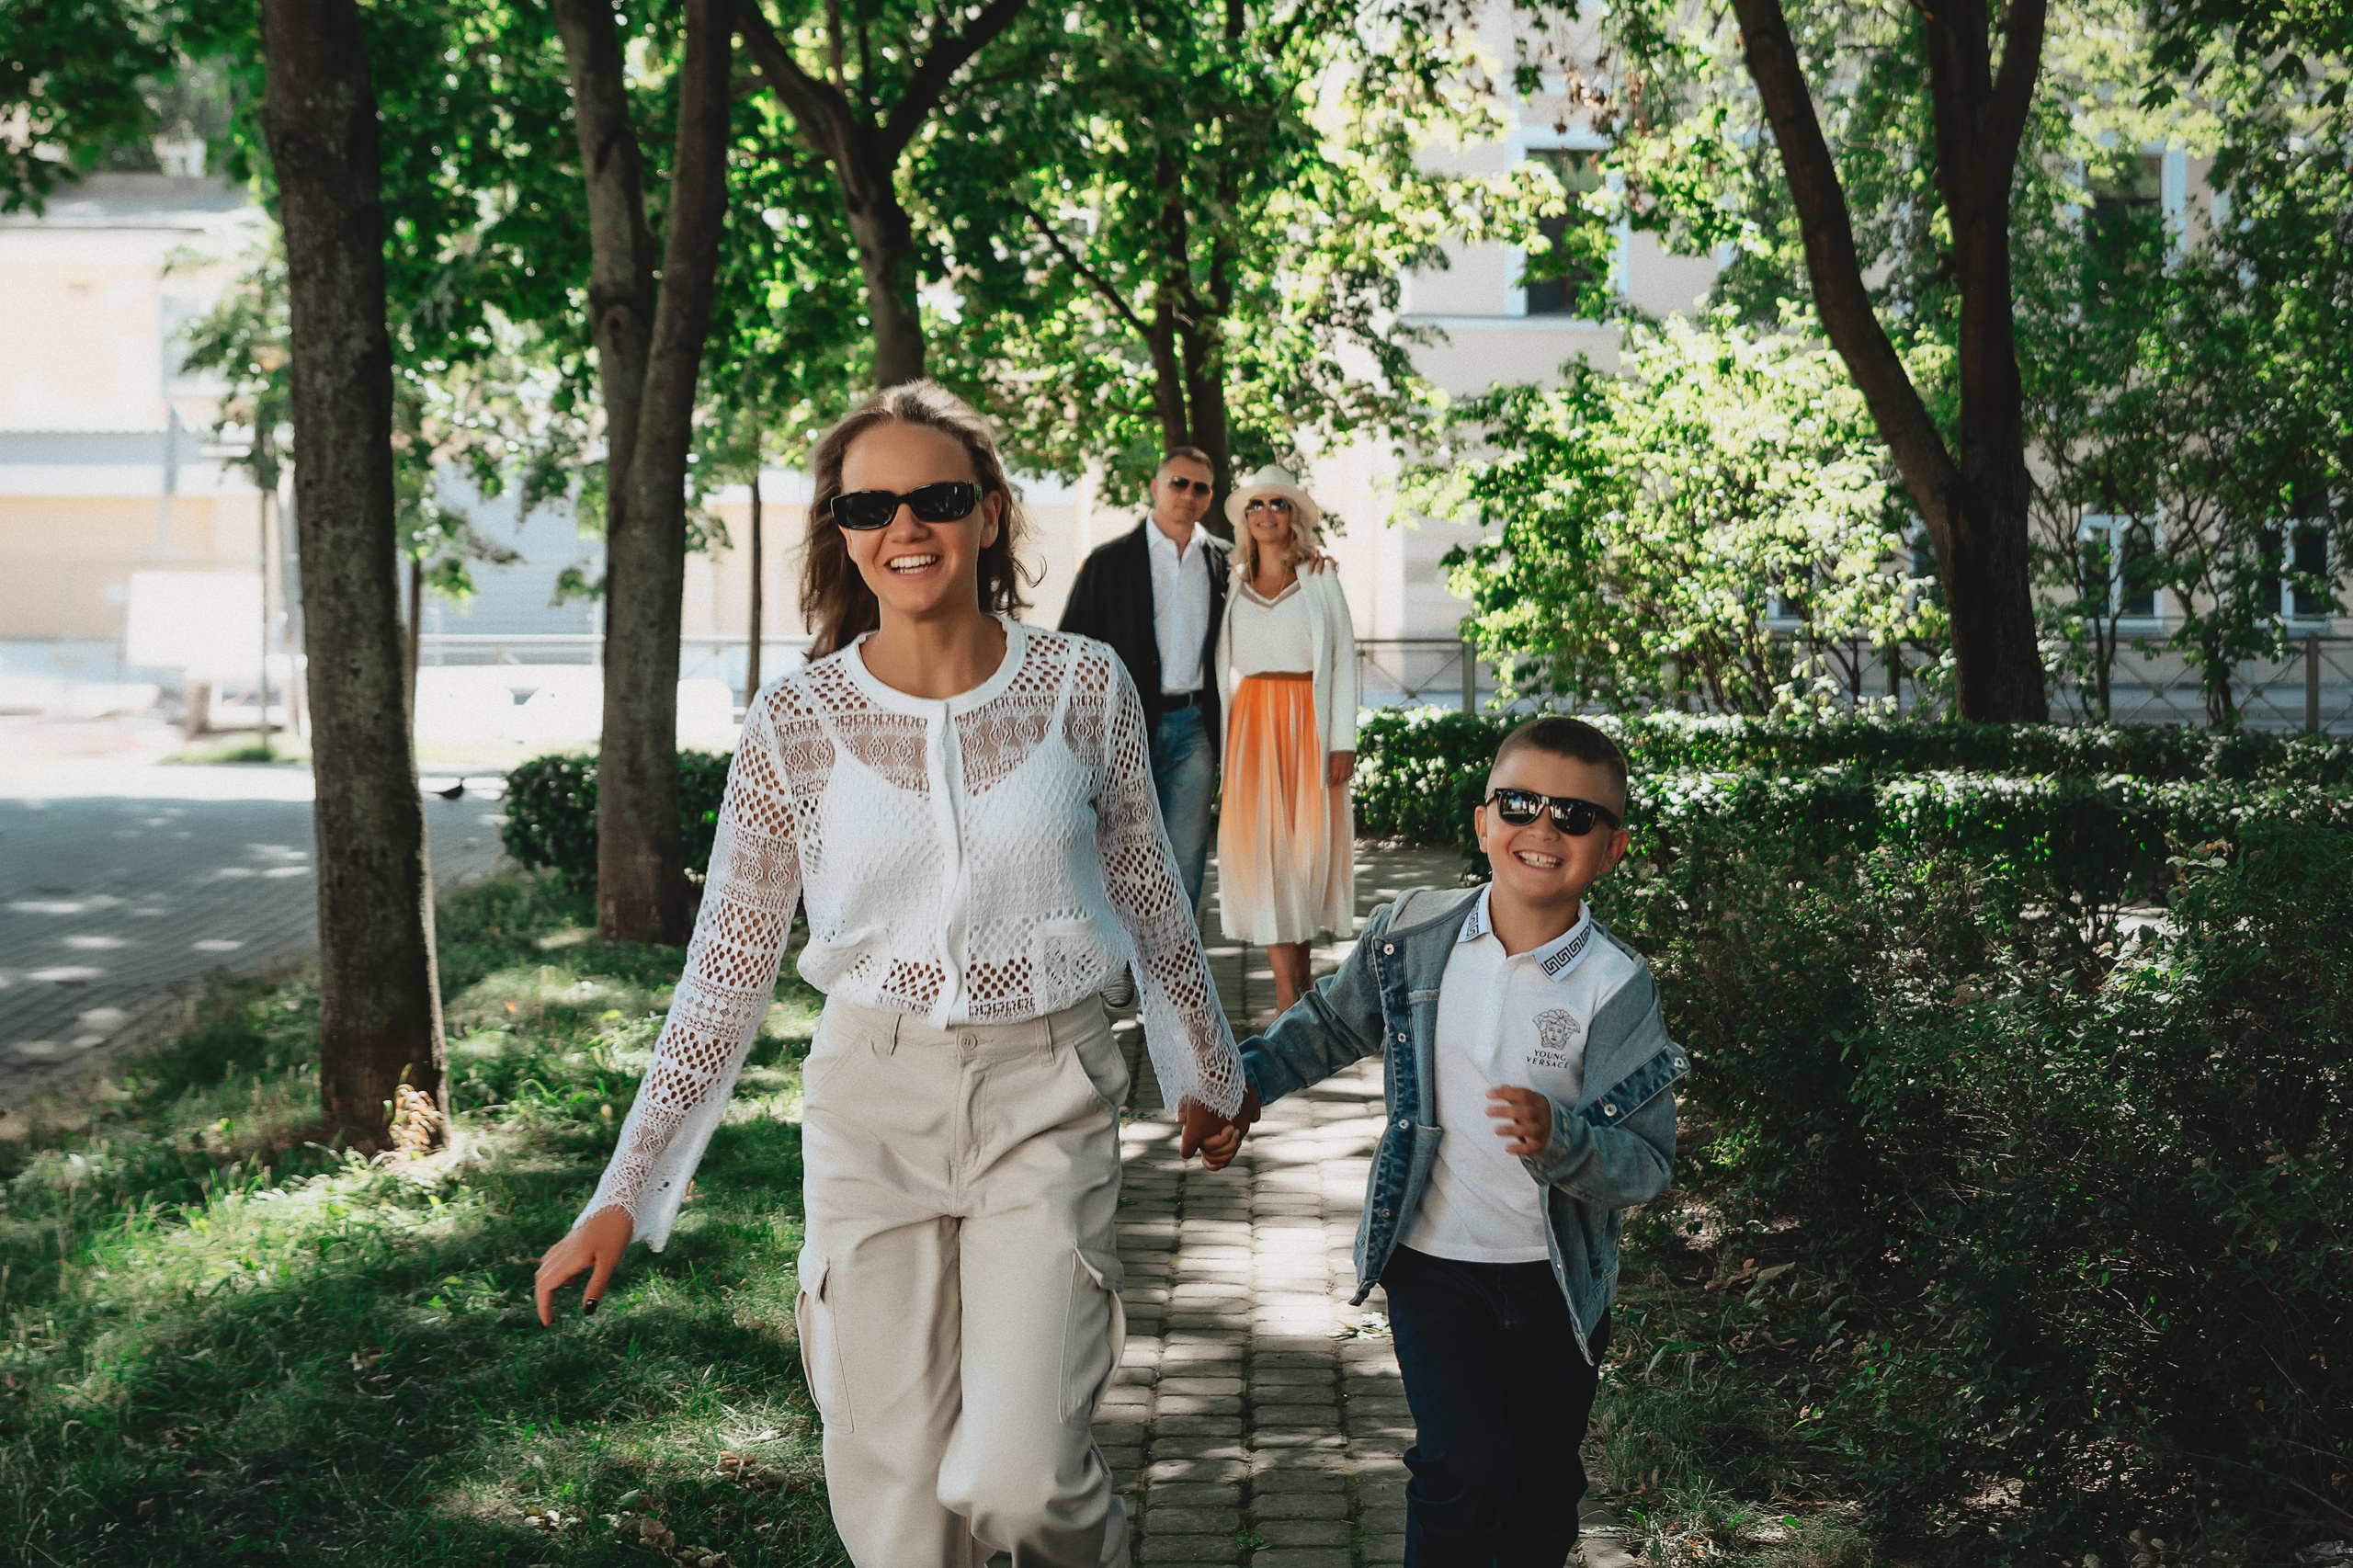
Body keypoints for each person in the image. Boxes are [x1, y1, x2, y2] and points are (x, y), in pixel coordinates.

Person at [534, 383, 1251, 1568]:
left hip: (1049, 1091)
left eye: (937, 496)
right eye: (870, 503)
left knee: (1019, 1483)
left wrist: (1205, 1067)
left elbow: (1150, 897)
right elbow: (723, 972)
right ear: (840, 528)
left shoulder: (1083, 685)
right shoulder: (795, 721)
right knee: (905, 1525)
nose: (904, 525)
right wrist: (628, 1186)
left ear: (987, 515)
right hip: (870, 1109)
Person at [1224, 717, 1687, 1567]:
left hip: (1555, 1285)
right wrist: (1244, 1085)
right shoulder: (1415, 932)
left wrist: (1565, 1143)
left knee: (1541, 1495)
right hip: (1434, 1266)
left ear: (1611, 850)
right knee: (1461, 1473)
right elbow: (1329, 1023)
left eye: (1575, 817)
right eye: (1519, 802)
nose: (1543, 828)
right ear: (1482, 822)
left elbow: (1647, 1165)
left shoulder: (1616, 987)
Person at [1058, 448, 1230, 919]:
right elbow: (1072, 649)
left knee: (1185, 855)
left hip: (1196, 727)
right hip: (1123, 728)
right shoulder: (1108, 563)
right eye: (1178, 482)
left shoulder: (1225, 563)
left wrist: (1318, 565)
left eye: (1200, 487)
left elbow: (1278, 578)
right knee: (1118, 850)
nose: (1188, 494)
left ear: (1210, 497)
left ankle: (1175, 966)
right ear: (1154, 487)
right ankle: (1118, 959)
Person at [1211, 466, 1358, 1015]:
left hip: (1309, 726)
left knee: (1303, 854)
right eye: (1256, 505)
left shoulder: (1320, 578)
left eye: (1278, 504)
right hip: (1251, 729)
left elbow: (1343, 661)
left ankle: (1299, 981)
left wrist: (1343, 739)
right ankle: (1286, 994)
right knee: (1264, 852)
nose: (1267, 513)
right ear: (1246, 519)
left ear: (1292, 516)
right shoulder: (1231, 581)